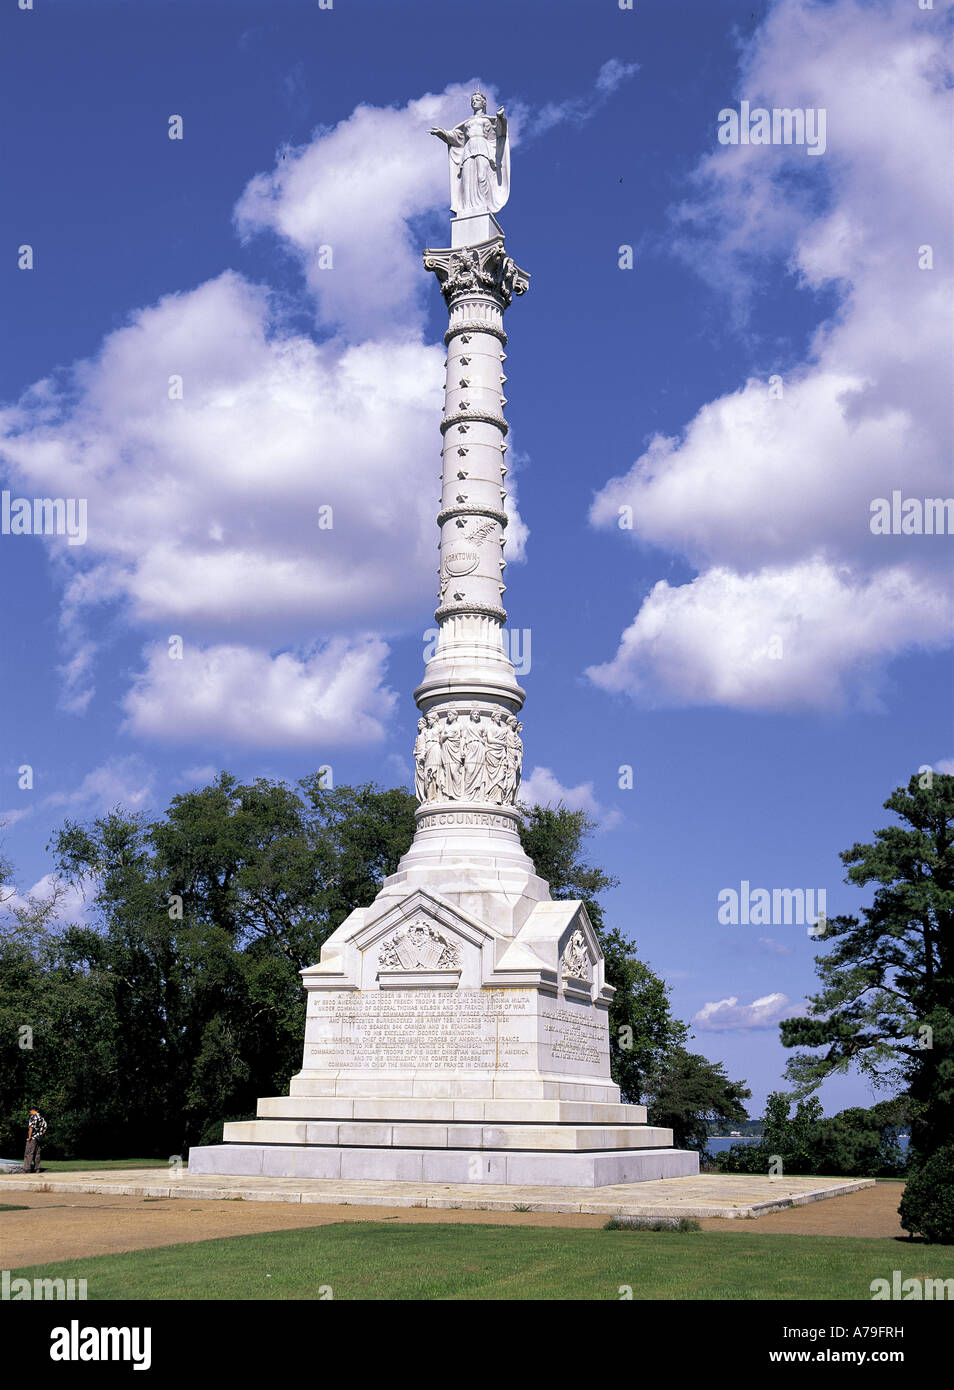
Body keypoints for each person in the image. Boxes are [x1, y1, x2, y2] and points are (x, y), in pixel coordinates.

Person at [22, 1107, 47, 1173]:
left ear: (33, 1111)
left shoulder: (33, 1117)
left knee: (28, 1153)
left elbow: (31, 1128)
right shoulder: (42, 1118)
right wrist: (41, 1136)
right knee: (37, 1153)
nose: (29, 1113)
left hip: (32, 1137)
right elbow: (44, 1128)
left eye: (30, 1111)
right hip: (38, 1138)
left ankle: (27, 1169)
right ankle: (37, 1168)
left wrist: (29, 1137)